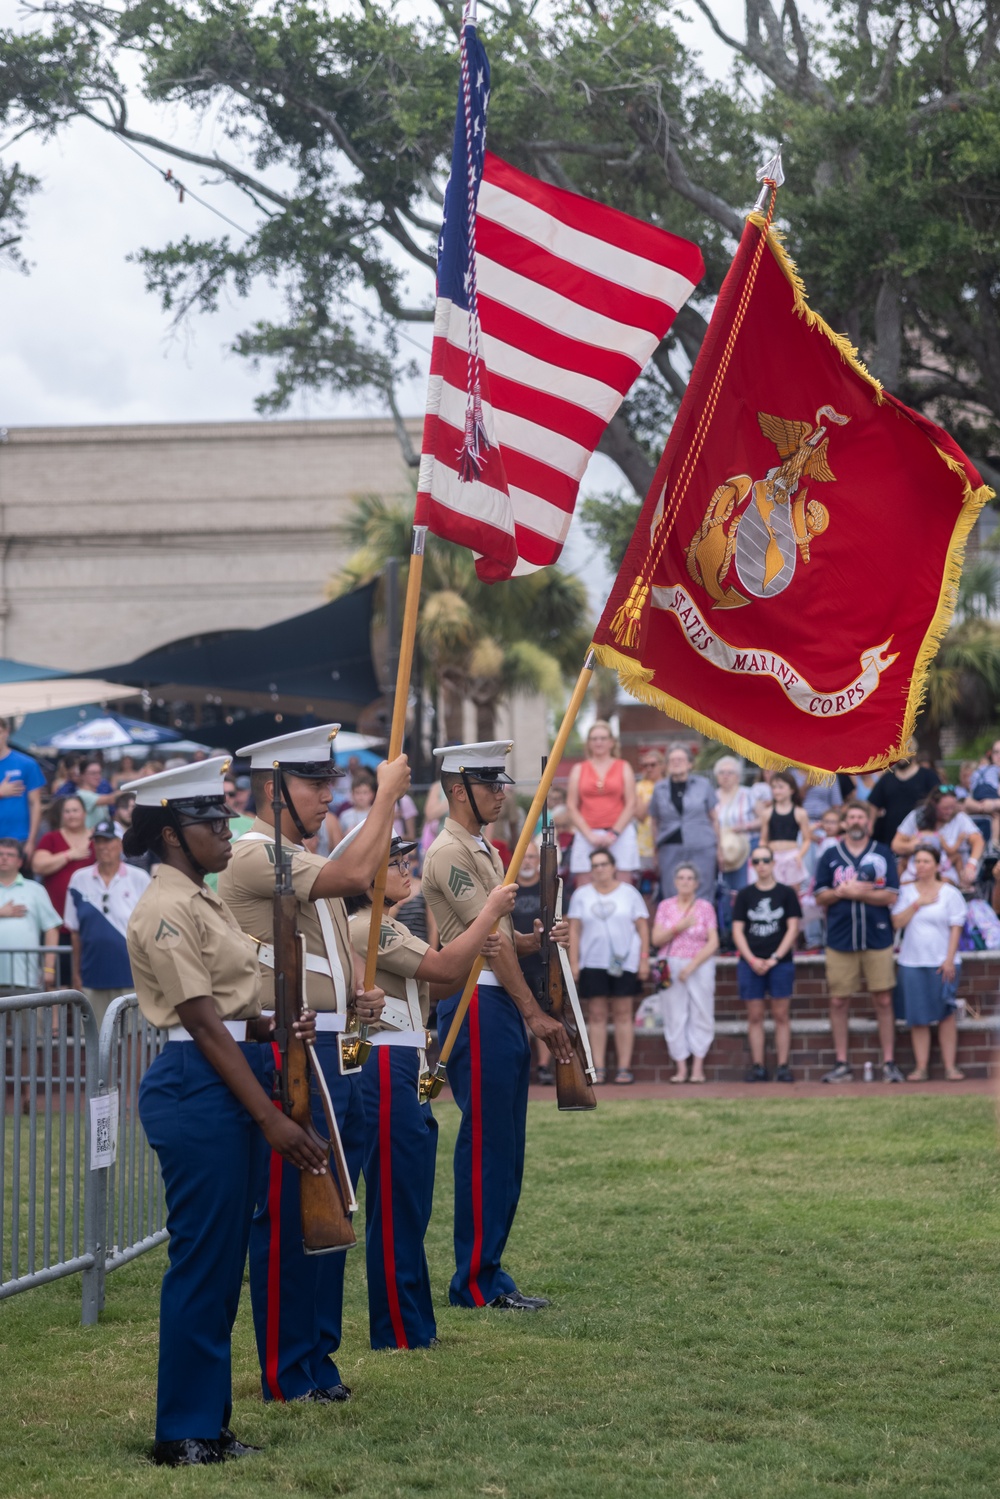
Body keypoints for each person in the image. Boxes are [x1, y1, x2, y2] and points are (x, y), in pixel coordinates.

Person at [123, 758, 326, 1467]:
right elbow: (203, 1023)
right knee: (202, 1260)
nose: (224, 832)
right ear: (174, 834)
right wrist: (271, 1117)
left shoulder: (200, 898)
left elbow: (234, 1012)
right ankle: (181, 1429)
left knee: (223, 1260)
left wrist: (275, 1028)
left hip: (229, 1071)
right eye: (212, 822)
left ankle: (208, 1421)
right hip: (199, 1082)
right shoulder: (166, 906)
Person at [219, 724, 408, 1405]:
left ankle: (318, 1357)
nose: (327, 795)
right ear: (273, 790)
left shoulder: (300, 856)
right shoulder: (256, 855)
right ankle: (285, 1367)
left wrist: (359, 994)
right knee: (292, 1213)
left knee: (334, 1209)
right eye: (313, 783)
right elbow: (358, 874)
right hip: (289, 1049)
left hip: (336, 1046)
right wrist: (384, 795)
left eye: (330, 782)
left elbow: (337, 921)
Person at [348, 836, 515, 1350]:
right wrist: (486, 914)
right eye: (393, 863)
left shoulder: (391, 924)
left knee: (412, 1199)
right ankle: (399, 1329)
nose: (406, 870)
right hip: (383, 1059)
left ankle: (413, 1322)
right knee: (397, 1201)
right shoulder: (367, 926)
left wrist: (482, 941)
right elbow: (442, 971)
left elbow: (437, 985)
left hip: (405, 1058)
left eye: (405, 861)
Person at [423, 741, 573, 1312]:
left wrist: (536, 941)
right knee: (489, 1148)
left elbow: (505, 939)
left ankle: (490, 1272)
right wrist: (534, 1011)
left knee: (507, 1150)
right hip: (478, 1005)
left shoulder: (482, 848)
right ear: (459, 790)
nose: (502, 793)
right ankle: (476, 1282)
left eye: (502, 783)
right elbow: (486, 942)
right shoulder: (449, 854)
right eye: (490, 784)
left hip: (498, 1003)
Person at [813, 801, 903, 1083]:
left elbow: (890, 895)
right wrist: (841, 891)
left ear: (868, 822)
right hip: (840, 937)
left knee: (884, 999)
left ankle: (888, 1063)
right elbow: (820, 896)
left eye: (860, 817)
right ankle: (842, 1063)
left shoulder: (881, 852)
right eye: (850, 817)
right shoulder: (830, 854)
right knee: (839, 1000)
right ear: (843, 822)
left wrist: (855, 893)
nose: (855, 821)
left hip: (877, 935)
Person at [568, 849, 650, 1085]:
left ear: (614, 867)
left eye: (604, 864)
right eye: (595, 865)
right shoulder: (581, 895)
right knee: (596, 1015)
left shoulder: (630, 893)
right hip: (593, 962)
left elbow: (643, 927)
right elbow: (574, 929)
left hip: (625, 963)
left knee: (624, 1014)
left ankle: (624, 1068)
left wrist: (644, 958)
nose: (600, 869)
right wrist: (574, 962)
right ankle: (599, 1068)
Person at [64, 820, 150, 1028]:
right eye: (99, 841)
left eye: (108, 841)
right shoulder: (78, 879)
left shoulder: (139, 878)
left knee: (135, 1034)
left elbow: (150, 928)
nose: (103, 847)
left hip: (133, 974)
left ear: (120, 843)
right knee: (93, 1037)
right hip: (92, 974)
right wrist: (76, 974)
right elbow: (74, 932)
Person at [891, 846, 967, 1082]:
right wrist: (918, 904)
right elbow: (896, 922)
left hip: (942, 962)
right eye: (918, 861)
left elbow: (956, 927)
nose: (921, 865)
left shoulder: (950, 893)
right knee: (917, 1017)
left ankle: (950, 1067)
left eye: (926, 861)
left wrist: (948, 959)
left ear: (936, 864)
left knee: (946, 1014)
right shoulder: (905, 893)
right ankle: (921, 1067)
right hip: (911, 962)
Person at [732, 848, 802, 1082]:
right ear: (752, 865)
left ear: (773, 863)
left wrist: (775, 958)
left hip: (780, 962)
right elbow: (737, 931)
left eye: (765, 860)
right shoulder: (744, 895)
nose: (761, 865)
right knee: (755, 1015)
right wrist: (752, 959)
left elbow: (793, 928)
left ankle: (783, 1065)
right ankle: (758, 1066)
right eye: (757, 861)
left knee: (781, 1014)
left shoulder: (786, 894)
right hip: (750, 962)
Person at [650, 862, 718, 1084]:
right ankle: (680, 1067)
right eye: (681, 878)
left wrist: (691, 966)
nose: (685, 881)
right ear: (675, 882)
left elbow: (713, 941)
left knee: (702, 1011)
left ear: (697, 883)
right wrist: (679, 927)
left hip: (699, 964)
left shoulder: (705, 907)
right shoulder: (665, 906)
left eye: (690, 878)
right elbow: (656, 939)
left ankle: (697, 1066)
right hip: (670, 964)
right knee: (673, 1013)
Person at [566, 721, 639, 886]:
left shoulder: (623, 766)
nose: (598, 742)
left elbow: (631, 803)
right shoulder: (579, 769)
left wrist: (614, 834)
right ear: (589, 743)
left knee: (623, 882)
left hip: (619, 833)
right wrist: (589, 835)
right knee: (584, 881)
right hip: (587, 833)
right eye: (594, 739)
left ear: (611, 742)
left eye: (603, 738)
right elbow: (571, 805)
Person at [649, 744, 718, 902]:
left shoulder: (704, 785)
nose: (676, 762)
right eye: (672, 760)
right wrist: (655, 851)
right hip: (669, 846)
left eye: (680, 759)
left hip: (702, 845)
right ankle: (675, 926)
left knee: (703, 888)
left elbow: (714, 818)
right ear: (666, 765)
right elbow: (654, 821)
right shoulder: (659, 788)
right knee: (671, 889)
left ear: (690, 764)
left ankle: (702, 925)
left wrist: (719, 849)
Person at [892, 787, 984, 890]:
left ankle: (962, 886)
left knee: (943, 881)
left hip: (944, 870)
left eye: (953, 807)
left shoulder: (960, 818)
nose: (949, 811)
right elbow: (896, 844)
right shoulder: (917, 816)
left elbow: (977, 840)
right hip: (917, 867)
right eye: (945, 808)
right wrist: (912, 846)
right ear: (934, 805)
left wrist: (971, 864)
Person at [0, 837, 61, 992]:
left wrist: (49, 969)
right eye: (0, 854)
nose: (4, 858)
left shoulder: (35, 889)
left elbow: (51, 928)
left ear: (20, 862)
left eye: (10, 854)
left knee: (27, 1017)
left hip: (26, 979)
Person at [32, 794, 95, 922]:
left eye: (75, 811)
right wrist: (69, 855)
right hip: (56, 914)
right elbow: (37, 866)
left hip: (91, 912)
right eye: (67, 811)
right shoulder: (51, 838)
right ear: (62, 815)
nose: (71, 815)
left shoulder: (97, 839)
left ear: (85, 813)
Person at [866, 754, 940, 846]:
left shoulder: (928, 776)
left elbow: (939, 800)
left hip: (920, 834)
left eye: (905, 750)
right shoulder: (887, 778)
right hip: (891, 836)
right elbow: (874, 804)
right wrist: (870, 825)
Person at [0, 718, 45, 862]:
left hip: (20, 838)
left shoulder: (27, 764)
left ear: (7, 732)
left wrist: (31, 841)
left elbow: (35, 804)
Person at [759, 771, 812, 894]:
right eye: (774, 787)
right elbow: (763, 839)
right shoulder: (767, 813)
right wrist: (765, 855)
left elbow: (807, 839)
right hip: (774, 858)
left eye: (781, 787)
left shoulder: (800, 813)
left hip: (791, 856)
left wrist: (799, 855)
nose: (777, 791)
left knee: (793, 893)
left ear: (791, 789)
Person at [633, 747, 665, 889]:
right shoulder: (639, 787)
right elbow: (640, 815)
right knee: (646, 887)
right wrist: (654, 793)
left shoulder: (670, 784)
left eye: (653, 764)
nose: (649, 768)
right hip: (645, 847)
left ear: (662, 765)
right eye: (645, 765)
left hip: (666, 842)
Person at [75, 757, 118, 830]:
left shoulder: (96, 794)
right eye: (93, 773)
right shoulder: (81, 794)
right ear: (82, 775)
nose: (98, 776)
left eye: (99, 773)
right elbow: (111, 799)